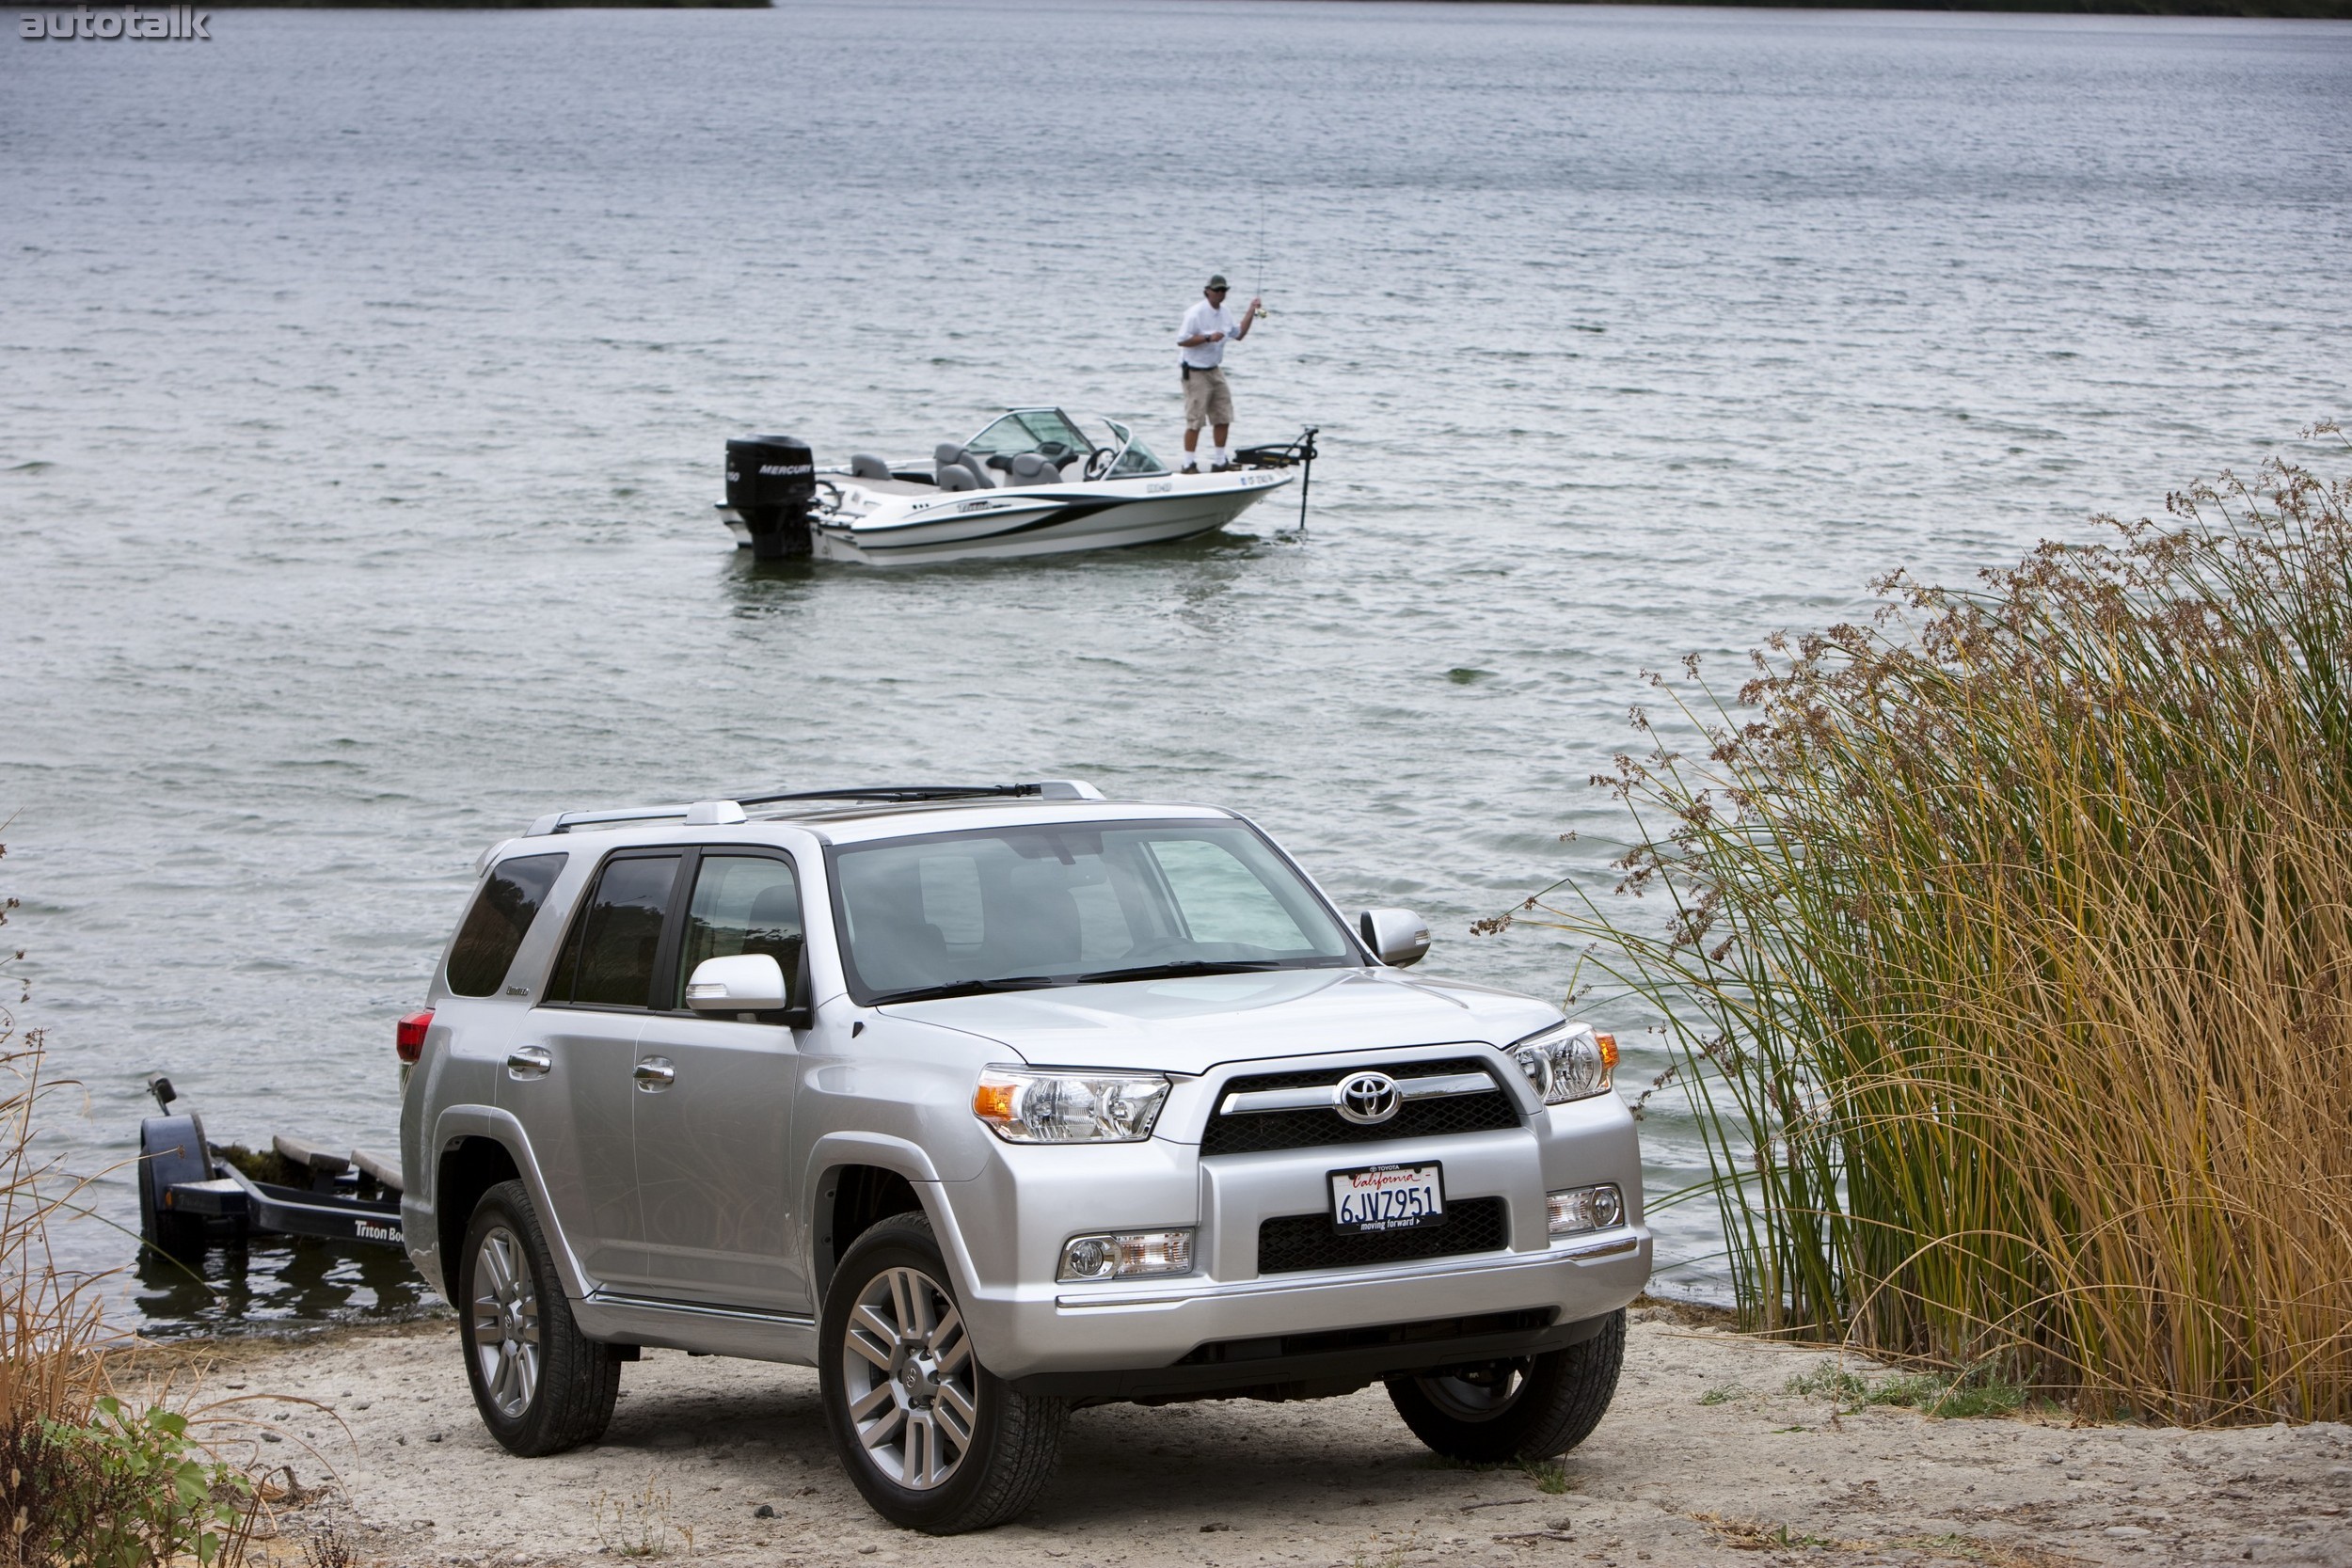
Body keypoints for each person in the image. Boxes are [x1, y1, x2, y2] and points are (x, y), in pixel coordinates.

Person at [1175, 274, 1263, 473]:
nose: (1220, 294)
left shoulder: (1225, 312)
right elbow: (1182, 340)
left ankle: (1220, 461)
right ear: (1207, 291)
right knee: (1195, 420)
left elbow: (1239, 334)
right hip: (1195, 372)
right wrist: (1207, 338)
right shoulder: (1196, 313)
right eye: (1216, 290)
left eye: (1223, 290)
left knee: (1223, 416)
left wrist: (1252, 310)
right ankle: (1188, 464)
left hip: (1215, 370)